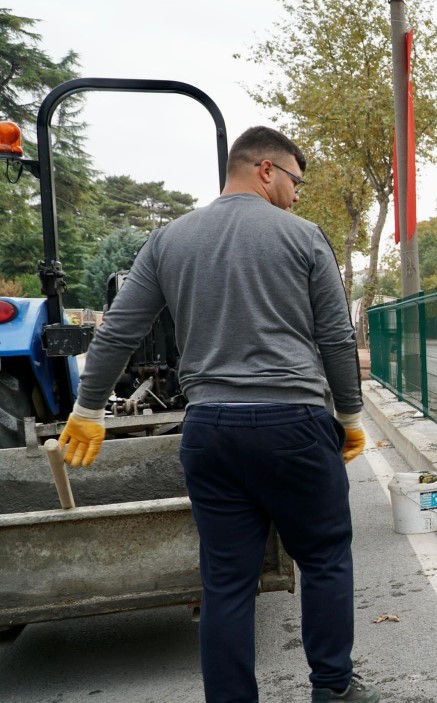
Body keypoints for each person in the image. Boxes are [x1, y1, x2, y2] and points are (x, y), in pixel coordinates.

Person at [58, 126, 379, 702]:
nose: (298, 195)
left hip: (210, 429)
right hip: (295, 426)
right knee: (325, 558)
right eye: (295, 180)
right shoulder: (305, 238)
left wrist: (87, 408)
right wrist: (351, 417)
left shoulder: (167, 240)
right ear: (264, 169)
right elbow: (335, 337)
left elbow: (119, 331)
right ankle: (334, 690)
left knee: (227, 582)